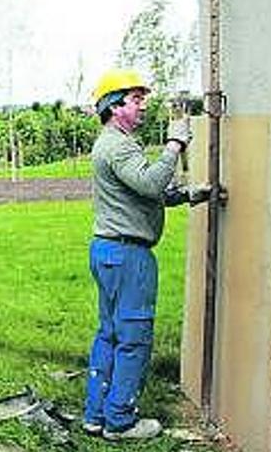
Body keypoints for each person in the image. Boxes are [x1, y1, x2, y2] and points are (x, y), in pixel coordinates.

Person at [81, 68, 194, 440]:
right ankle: (121, 422)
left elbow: (138, 191)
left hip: (110, 250)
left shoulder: (112, 144)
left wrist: (185, 195)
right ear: (115, 108)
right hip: (128, 255)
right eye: (136, 99)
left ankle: (95, 415)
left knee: (110, 334)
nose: (143, 106)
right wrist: (175, 145)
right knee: (134, 337)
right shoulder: (118, 144)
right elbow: (149, 183)